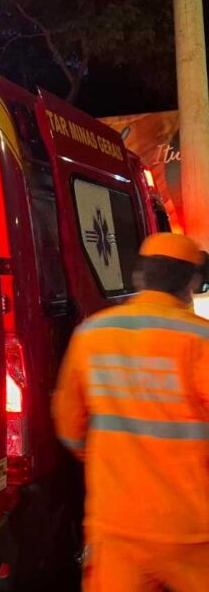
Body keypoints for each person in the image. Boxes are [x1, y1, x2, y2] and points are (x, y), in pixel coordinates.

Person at [53, 233, 209, 592]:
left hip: (116, 525)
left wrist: (109, 463)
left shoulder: (93, 333)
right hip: (190, 529)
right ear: (191, 281)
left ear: (140, 277)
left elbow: (69, 424)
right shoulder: (200, 340)